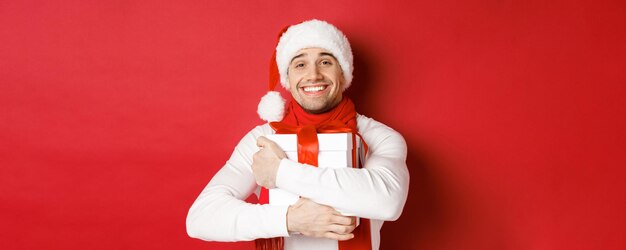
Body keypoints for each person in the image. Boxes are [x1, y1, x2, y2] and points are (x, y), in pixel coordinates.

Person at [186, 19, 409, 250]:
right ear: (288, 79)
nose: (313, 75)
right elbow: (201, 217)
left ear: (343, 73)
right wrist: (290, 220)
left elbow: (388, 201)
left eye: (325, 62)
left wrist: (280, 172)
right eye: (300, 65)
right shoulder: (262, 139)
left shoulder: (380, 137)